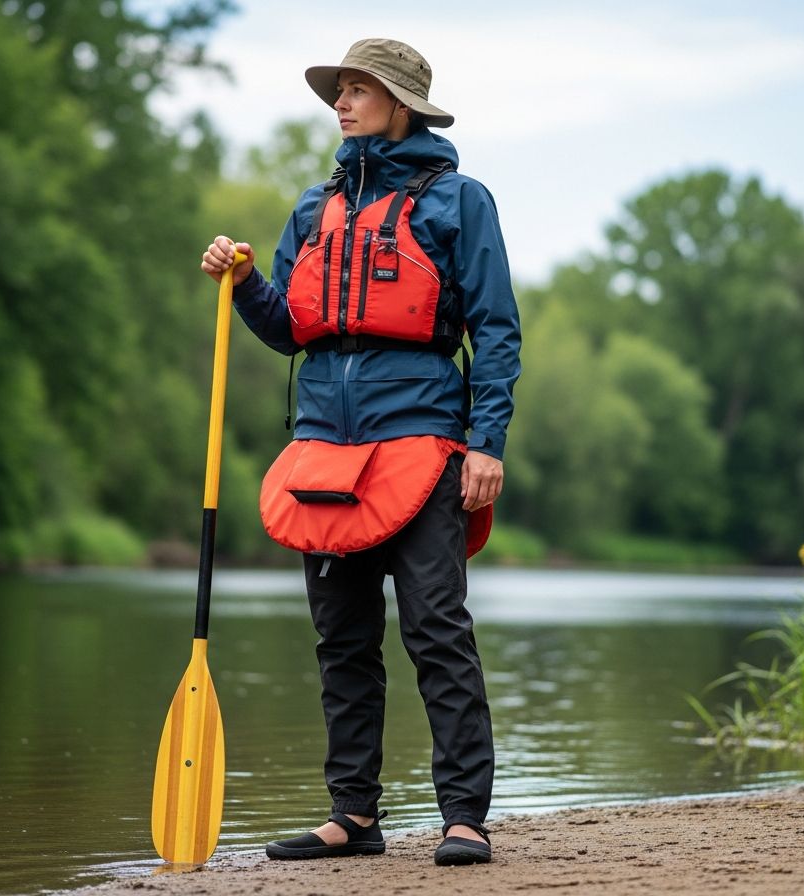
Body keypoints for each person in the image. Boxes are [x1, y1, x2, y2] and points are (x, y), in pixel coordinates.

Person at [200, 37, 521, 867]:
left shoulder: (460, 202)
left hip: (422, 446)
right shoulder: (315, 209)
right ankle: (355, 815)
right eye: (338, 91)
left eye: (359, 90)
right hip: (326, 460)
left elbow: (496, 331)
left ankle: (464, 818)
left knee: (436, 632)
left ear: (401, 103)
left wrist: (485, 443)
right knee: (340, 641)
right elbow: (288, 327)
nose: (341, 104)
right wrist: (242, 285)